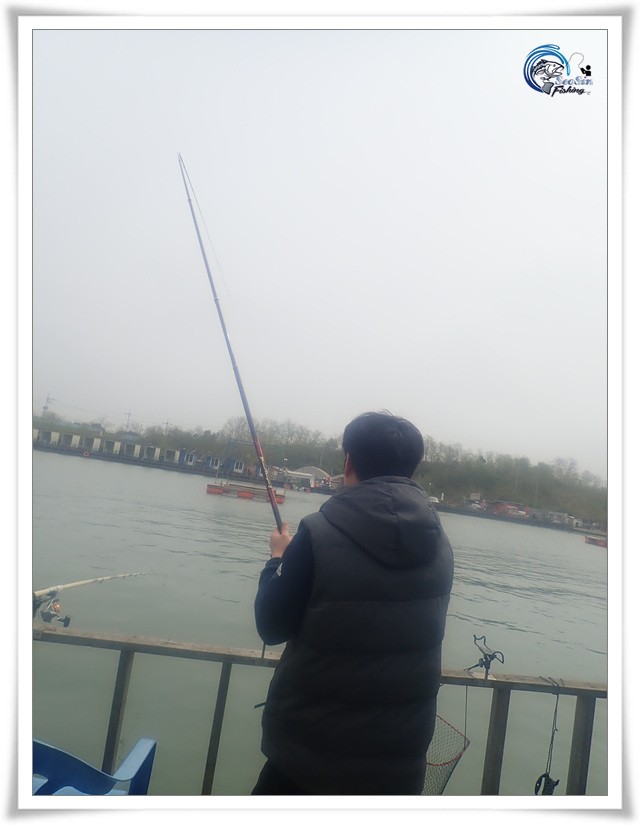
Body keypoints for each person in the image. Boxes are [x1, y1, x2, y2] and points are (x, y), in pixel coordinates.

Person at [252, 411, 454, 795]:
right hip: (398, 767)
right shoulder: (441, 544)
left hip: (307, 762)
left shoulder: (317, 532)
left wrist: (277, 559)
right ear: (411, 467)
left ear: (348, 462)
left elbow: (271, 625)